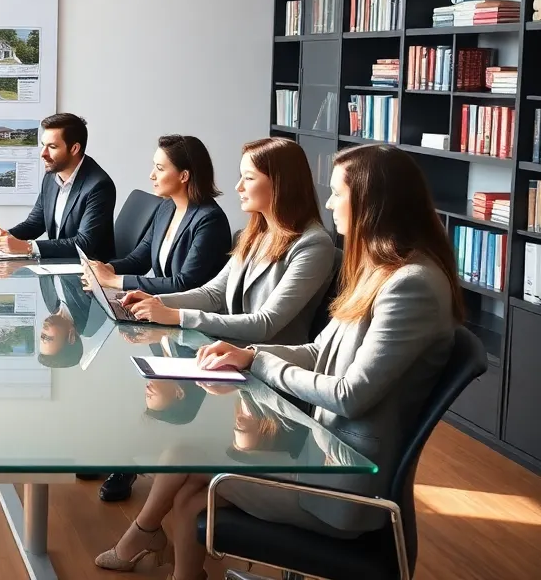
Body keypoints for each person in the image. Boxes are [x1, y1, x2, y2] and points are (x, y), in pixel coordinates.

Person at [95, 143, 461, 580]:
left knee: (194, 486)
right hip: (323, 451)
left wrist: (258, 363)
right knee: (189, 465)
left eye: (337, 193)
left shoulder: (410, 285)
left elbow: (350, 394)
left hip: (342, 485)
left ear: (369, 201)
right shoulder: (381, 271)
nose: (329, 203)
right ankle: (156, 549)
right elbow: (319, 351)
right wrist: (249, 356)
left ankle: (150, 546)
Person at [122, 137, 336, 346]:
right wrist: (157, 302)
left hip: (264, 366)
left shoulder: (313, 244)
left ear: (281, 184)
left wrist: (176, 315)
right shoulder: (255, 234)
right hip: (227, 351)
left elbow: (265, 324)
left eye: (249, 178)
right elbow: (213, 293)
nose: (238, 186)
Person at [83, 135, 232, 294]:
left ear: (184, 176)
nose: (152, 175)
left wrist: (114, 281)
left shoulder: (210, 220)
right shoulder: (166, 207)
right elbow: (139, 260)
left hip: (187, 313)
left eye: (160, 168)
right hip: (161, 304)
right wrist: (106, 268)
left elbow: (184, 284)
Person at [0, 113, 116, 260]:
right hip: (58, 264)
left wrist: (28, 247)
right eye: (43, 146)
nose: (43, 154)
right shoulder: (52, 175)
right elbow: (35, 223)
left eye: (52, 147)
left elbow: (84, 244)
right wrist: (6, 236)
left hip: (88, 272)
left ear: (74, 149)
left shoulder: (99, 186)